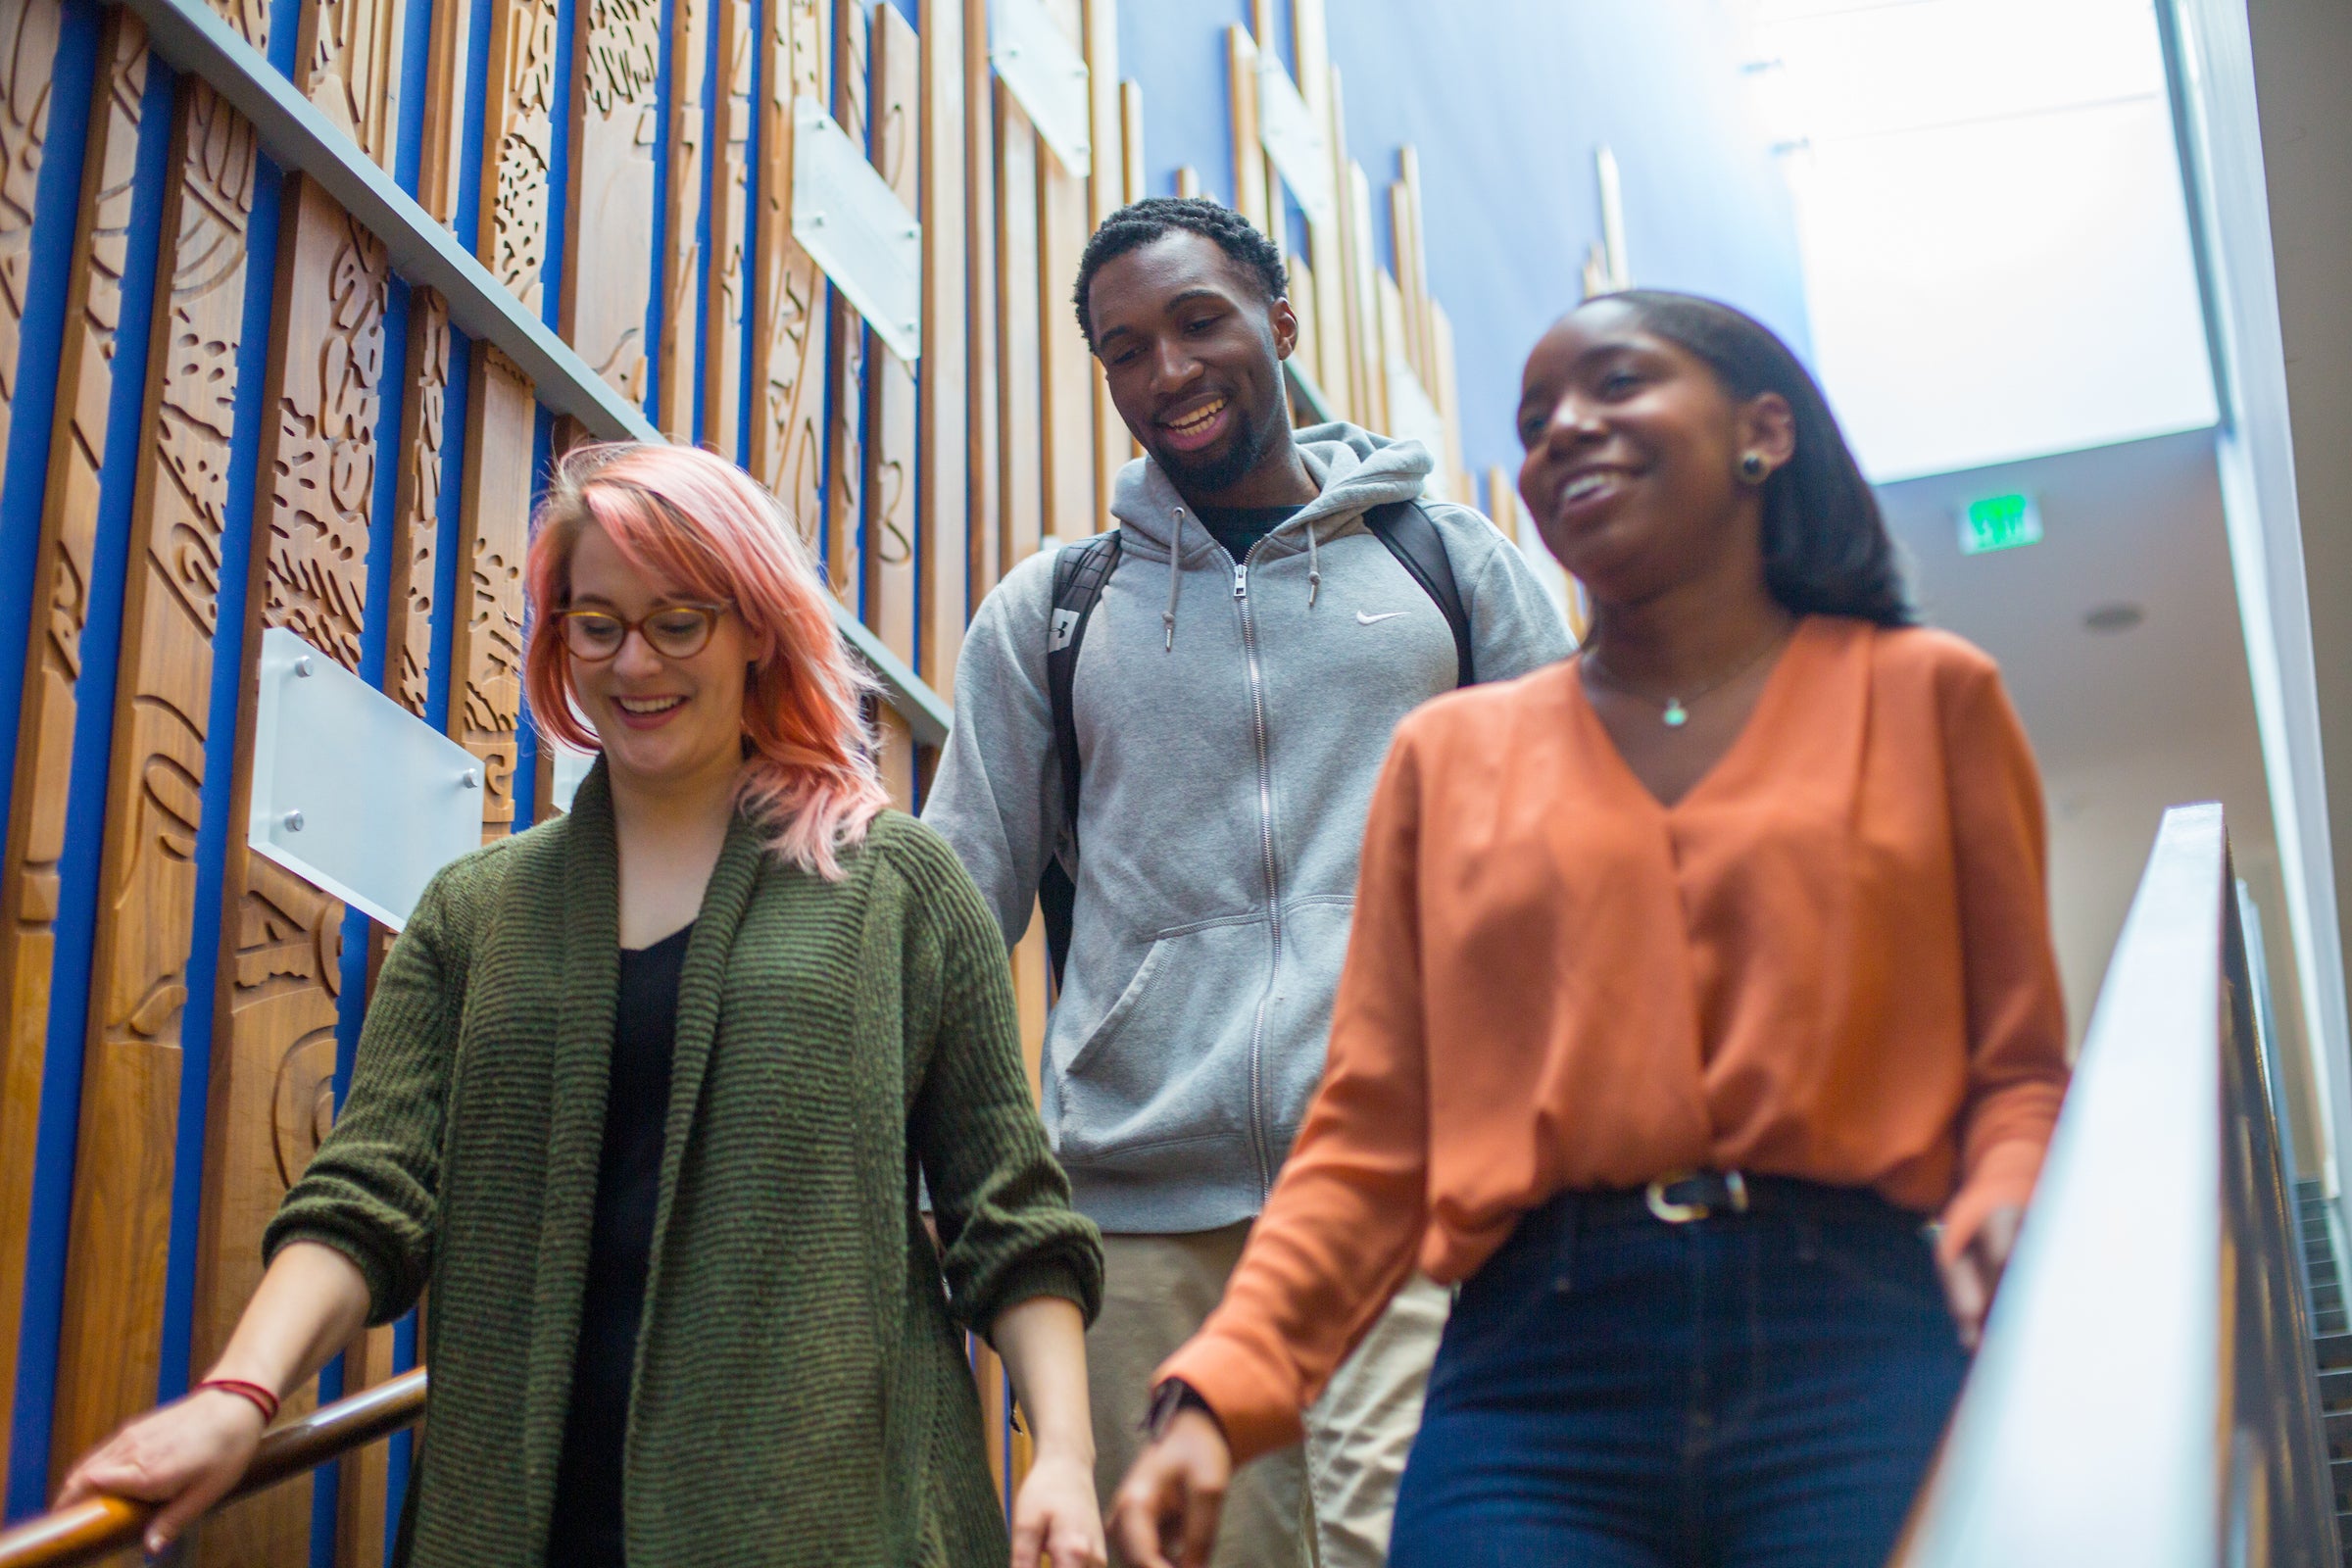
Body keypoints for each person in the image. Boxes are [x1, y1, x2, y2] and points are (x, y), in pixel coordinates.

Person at [1112, 290, 2075, 1568]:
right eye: (1534, 417)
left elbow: (2015, 1071)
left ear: (1764, 432)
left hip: (1856, 1342)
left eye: (1615, 385)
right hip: (1535, 1380)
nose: (1563, 429)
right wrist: (1215, 1398)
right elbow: (1373, 1137)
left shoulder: (1926, 699)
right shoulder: (1452, 756)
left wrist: (2008, 1198)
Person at [57, 443, 1107, 1568]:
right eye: (596, 624)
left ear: (757, 625)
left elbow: (1008, 1215)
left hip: (826, 1519)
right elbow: (369, 1197)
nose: (634, 662)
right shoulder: (473, 913)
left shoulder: (895, 888)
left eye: (679, 620)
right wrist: (237, 1392)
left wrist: (1065, 1457)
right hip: (519, 1526)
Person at [921, 196, 1571, 1568]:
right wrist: (940, 1175)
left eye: (1200, 321)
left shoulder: (1444, 565)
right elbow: (952, 923)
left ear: (1280, 322)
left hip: (1409, 1187)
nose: (1168, 370)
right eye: (1124, 349)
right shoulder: (1056, 612)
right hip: (1133, 1214)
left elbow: (1585, 854)